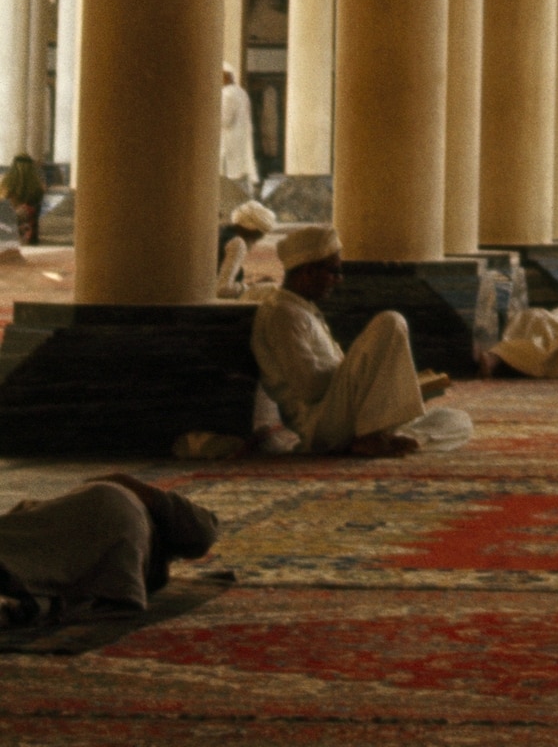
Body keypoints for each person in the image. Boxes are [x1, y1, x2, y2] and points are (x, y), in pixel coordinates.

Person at [250, 226, 433, 455]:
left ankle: (377, 434)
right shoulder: (283, 313)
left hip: (340, 412)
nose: (339, 280)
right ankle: (370, 435)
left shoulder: (302, 309)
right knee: (390, 321)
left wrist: (381, 379)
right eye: (334, 271)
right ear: (308, 272)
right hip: (319, 423)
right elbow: (310, 389)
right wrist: (361, 373)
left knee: (453, 421)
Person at [0, 476, 218, 626]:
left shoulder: (129, 499)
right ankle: (26, 605)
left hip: (113, 506)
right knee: (65, 586)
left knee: (20, 544)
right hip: (127, 553)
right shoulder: (152, 567)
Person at [218, 64, 256, 206]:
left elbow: (224, 120)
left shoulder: (226, 93)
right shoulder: (241, 92)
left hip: (229, 142)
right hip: (240, 141)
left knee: (229, 176)